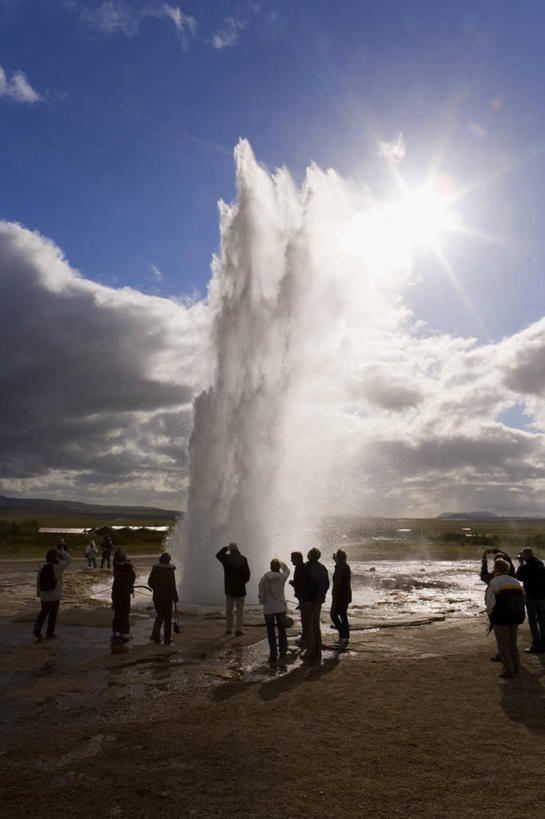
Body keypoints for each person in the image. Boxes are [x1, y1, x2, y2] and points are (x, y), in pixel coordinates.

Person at [485, 557, 525, 679]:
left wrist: (490, 614)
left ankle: (508, 670)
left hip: (500, 616)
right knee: (512, 643)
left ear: (496, 568)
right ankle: (516, 666)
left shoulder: (494, 582)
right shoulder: (515, 581)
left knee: (502, 644)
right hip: (515, 615)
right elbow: (522, 598)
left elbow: (490, 602)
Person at [33, 544, 72, 641]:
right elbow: (69, 559)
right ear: (56, 557)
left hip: (44, 595)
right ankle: (50, 632)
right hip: (54, 595)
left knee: (43, 612)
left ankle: (37, 627)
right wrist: (61, 551)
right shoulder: (57, 567)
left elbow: (38, 581)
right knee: (53, 614)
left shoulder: (42, 567)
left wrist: (38, 593)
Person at [299, 548, 329, 665]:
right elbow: (326, 585)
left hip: (308, 601)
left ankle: (310, 653)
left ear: (309, 556)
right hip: (317, 602)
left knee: (308, 627)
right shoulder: (322, 568)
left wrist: (303, 598)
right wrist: (320, 598)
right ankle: (318, 652)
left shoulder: (307, 568)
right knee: (316, 626)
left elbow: (304, 585)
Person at [258, 559, 290, 664]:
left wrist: (262, 601)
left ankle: (273, 654)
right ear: (278, 567)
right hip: (280, 607)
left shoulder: (264, 578)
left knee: (270, 631)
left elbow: (261, 592)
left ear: (270, 567)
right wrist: (281, 562)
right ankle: (283, 652)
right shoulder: (282, 577)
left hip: (268, 608)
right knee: (282, 630)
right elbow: (287, 570)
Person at [216, 543, 251, 636]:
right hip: (240, 589)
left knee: (229, 610)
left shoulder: (226, 558)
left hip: (229, 589)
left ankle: (228, 629)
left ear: (230, 550)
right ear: (238, 549)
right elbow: (247, 574)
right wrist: (242, 582)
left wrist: (226, 548)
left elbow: (218, 555)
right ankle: (239, 630)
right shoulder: (243, 559)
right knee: (240, 611)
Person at [515, 547, 545, 654]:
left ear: (526, 555)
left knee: (533, 623)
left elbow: (518, 576)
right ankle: (543, 645)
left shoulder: (526, 567)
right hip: (542, 597)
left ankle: (536, 646)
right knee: (542, 622)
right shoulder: (540, 564)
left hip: (531, 597)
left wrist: (521, 563)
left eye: (523, 555)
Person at [148, 552, 179, 645]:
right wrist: (175, 598)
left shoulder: (155, 569)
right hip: (167, 598)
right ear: (168, 560)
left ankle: (156, 636)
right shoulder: (169, 570)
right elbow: (172, 585)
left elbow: (150, 582)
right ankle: (167, 639)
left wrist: (156, 589)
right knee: (167, 619)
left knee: (160, 615)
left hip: (157, 597)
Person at [111, 549, 135, 643]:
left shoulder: (116, 566)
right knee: (125, 613)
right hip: (124, 593)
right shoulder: (127, 567)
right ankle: (124, 633)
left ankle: (116, 633)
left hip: (116, 592)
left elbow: (116, 561)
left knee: (117, 613)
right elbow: (132, 577)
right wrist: (128, 564)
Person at [330, 548, 352, 644]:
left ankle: (342, 635)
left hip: (340, 596)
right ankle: (345, 636)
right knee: (343, 615)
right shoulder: (345, 566)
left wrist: (334, 596)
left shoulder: (340, 568)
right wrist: (336, 561)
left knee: (333, 615)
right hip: (346, 595)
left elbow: (338, 584)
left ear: (339, 558)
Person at [289, 551, 306, 643]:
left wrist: (293, 583)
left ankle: (305, 637)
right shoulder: (303, 567)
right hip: (303, 596)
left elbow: (300, 583)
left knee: (305, 617)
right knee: (305, 617)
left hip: (303, 596)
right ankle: (306, 635)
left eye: (292, 558)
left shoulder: (300, 568)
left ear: (297, 559)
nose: (291, 560)